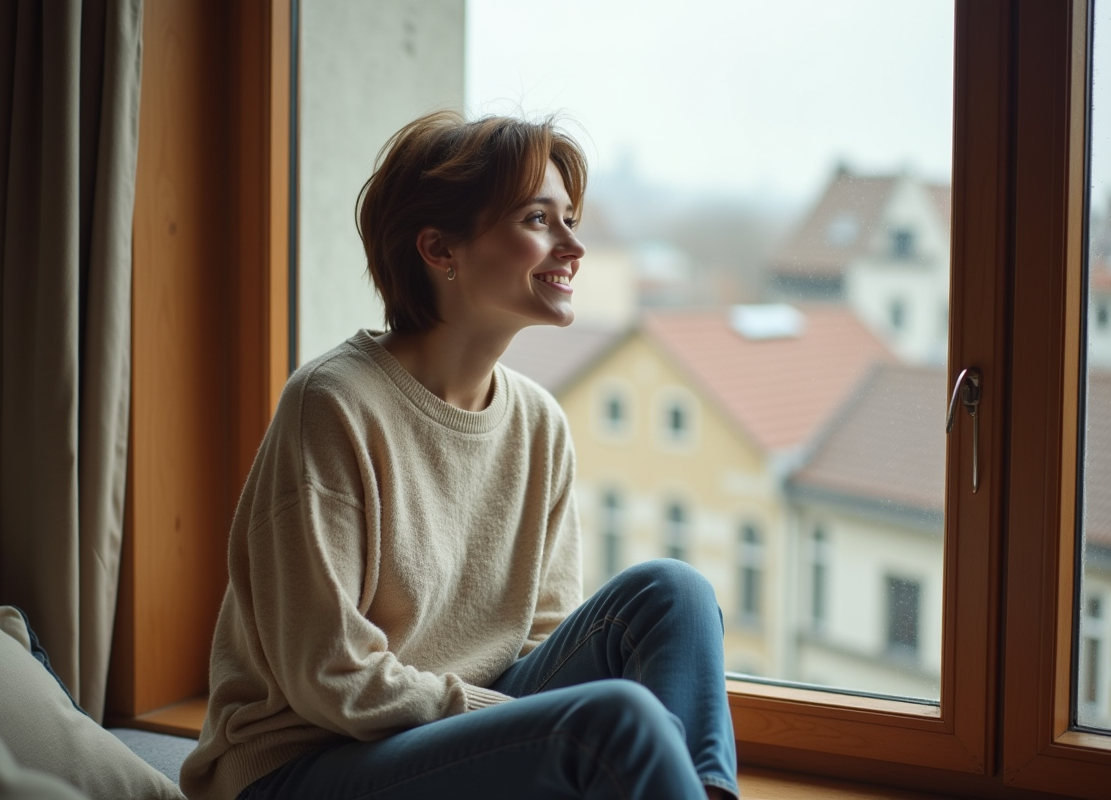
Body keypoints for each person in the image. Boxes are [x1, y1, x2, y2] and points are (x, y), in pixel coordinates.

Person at [179, 111, 738, 800]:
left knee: (673, 593)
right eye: (540, 219)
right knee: (613, 721)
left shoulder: (539, 422)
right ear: (440, 249)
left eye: (571, 219)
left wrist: (524, 730)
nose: (573, 246)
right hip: (299, 766)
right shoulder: (333, 405)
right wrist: (530, 725)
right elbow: (331, 679)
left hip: (441, 742)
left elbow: (540, 645)